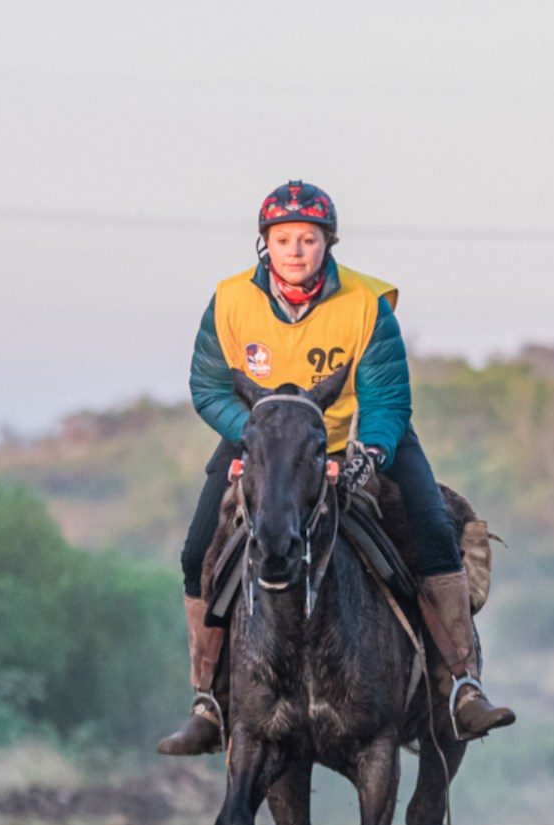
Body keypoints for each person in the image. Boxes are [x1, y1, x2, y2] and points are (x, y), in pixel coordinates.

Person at [157, 180, 516, 755]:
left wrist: (366, 455)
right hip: (262, 440)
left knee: (431, 527)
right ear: (264, 245)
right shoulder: (228, 301)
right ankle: (209, 700)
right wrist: (251, 438)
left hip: (356, 438)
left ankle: (460, 686)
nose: (295, 250)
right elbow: (208, 387)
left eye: (308, 238)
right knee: (198, 549)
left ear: (329, 244)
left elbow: (388, 400)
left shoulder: (366, 304)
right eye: (282, 239)